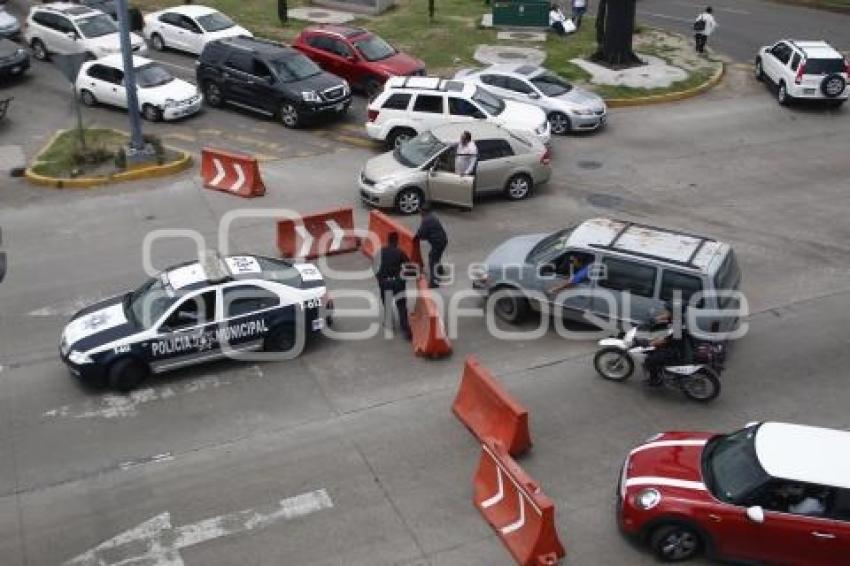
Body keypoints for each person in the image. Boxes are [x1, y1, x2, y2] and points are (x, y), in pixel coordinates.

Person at [375, 232, 412, 340]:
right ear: (397, 241)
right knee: (401, 306)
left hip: (385, 283)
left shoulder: (380, 252)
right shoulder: (400, 252)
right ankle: (406, 330)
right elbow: (409, 267)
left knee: (387, 304)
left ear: (388, 240)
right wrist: (404, 279)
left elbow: (375, 267)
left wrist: (380, 279)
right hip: (397, 283)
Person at [643, 305, 693, 386]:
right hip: (677, 345)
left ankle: (655, 380)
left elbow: (664, 341)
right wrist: (654, 319)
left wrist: (649, 343)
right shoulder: (677, 318)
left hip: (675, 350)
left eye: (668, 310)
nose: (665, 311)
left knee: (650, 360)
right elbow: (665, 318)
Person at [415, 204, 448, 288]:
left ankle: (435, 283)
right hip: (442, 240)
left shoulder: (426, 220)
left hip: (438, 242)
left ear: (423, 211)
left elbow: (422, 233)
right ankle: (440, 271)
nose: (419, 213)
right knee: (436, 256)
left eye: (420, 211)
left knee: (433, 260)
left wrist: (416, 237)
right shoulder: (432, 216)